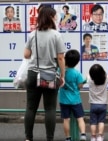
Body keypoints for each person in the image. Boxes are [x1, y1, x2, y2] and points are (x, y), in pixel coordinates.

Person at [23, 6, 66, 141]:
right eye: (54, 16)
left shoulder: (33, 34)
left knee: (30, 108)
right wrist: (62, 76)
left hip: (33, 73)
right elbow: (60, 58)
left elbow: (26, 54)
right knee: (50, 109)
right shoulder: (56, 35)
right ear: (50, 17)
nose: (56, 18)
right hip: (49, 75)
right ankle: (49, 138)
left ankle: (28, 138)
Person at [58, 49, 87, 141]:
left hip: (63, 100)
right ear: (77, 62)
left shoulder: (60, 71)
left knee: (66, 119)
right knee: (80, 118)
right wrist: (85, 80)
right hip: (75, 100)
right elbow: (80, 85)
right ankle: (82, 134)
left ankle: (68, 138)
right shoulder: (77, 73)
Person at [87, 64, 108, 141]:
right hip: (103, 104)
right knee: (101, 121)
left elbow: (87, 75)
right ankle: (100, 136)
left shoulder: (90, 81)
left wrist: (89, 75)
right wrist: (106, 75)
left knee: (93, 122)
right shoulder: (105, 80)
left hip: (93, 105)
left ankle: (93, 137)